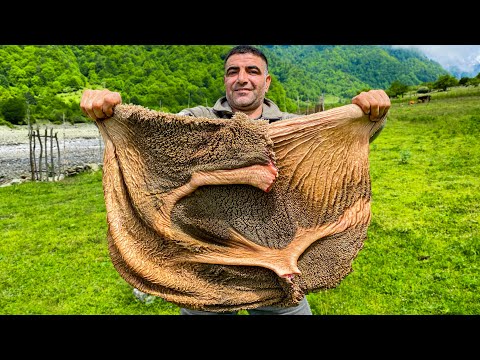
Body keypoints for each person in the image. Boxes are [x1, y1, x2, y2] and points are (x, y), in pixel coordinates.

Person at [80, 45, 391, 315]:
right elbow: (151, 139)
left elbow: (344, 141)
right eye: (233, 71)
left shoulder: (295, 127)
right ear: (225, 80)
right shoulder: (196, 119)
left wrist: (373, 115)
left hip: (278, 268)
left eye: (252, 71)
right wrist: (107, 112)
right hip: (207, 267)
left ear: (266, 81)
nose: (242, 78)